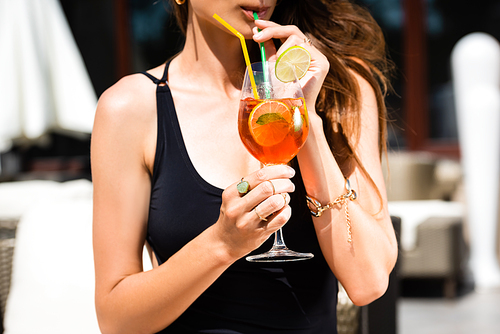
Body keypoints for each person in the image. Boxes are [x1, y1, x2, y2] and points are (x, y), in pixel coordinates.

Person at [91, 0, 398, 333]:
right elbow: (116, 320)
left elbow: (368, 282)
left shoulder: (338, 87)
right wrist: (223, 244)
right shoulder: (131, 110)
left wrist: (305, 117)